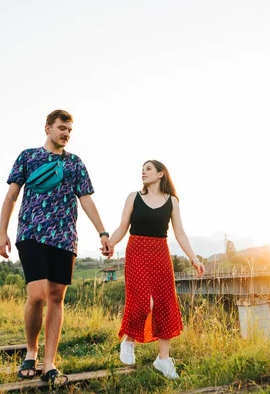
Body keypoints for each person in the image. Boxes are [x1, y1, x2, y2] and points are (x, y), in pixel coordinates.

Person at [0, 109, 113, 385]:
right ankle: (31, 352)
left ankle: (49, 362)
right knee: (36, 295)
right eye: (62, 128)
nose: (66, 134)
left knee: (56, 298)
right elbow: (12, 196)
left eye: (70, 130)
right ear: (47, 128)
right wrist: (2, 233)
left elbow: (86, 199)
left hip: (64, 237)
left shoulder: (75, 163)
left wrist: (103, 233)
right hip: (31, 233)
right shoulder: (28, 157)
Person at [109, 160, 205, 379]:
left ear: (161, 174)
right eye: (142, 169)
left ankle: (163, 359)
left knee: (164, 304)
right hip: (137, 251)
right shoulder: (133, 197)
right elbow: (123, 226)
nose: (143, 172)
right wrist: (111, 244)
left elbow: (179, 233)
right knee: (143, 301)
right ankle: (129, 340)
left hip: (160, 253)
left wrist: (194, 258)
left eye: (148, 169)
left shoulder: (172, 202)